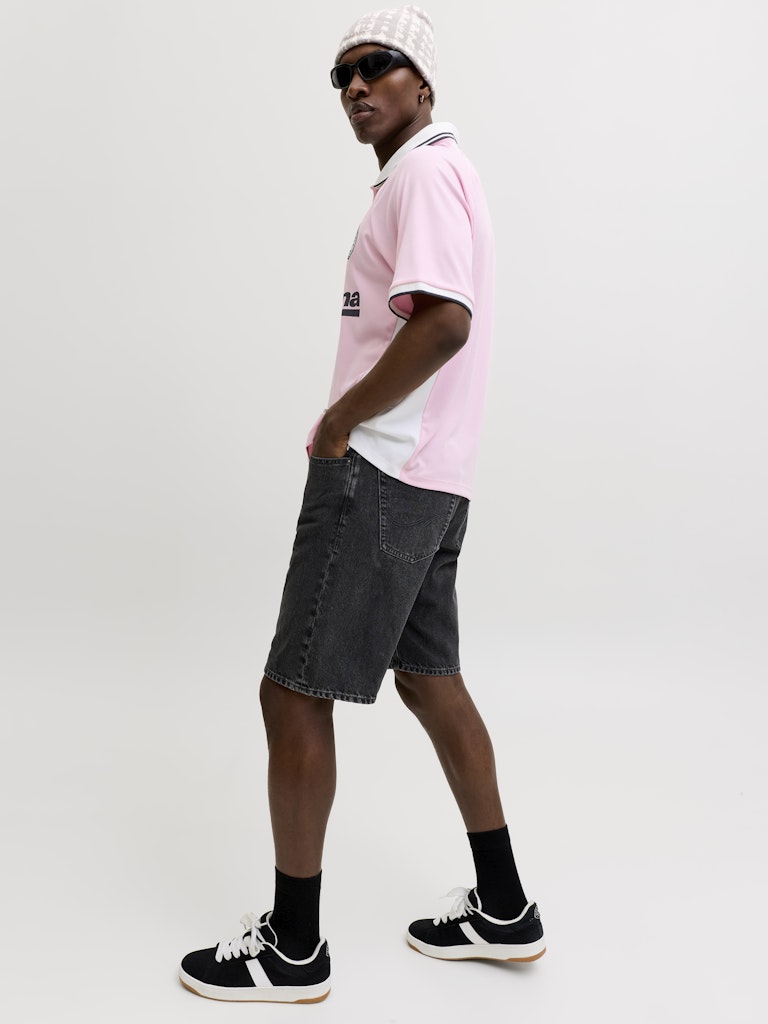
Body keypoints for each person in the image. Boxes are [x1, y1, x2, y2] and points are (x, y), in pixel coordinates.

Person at [179, 5, 545, 1004]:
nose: (354, 86)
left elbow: (444, 322)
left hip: (381, 471)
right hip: (434, 475)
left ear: (421, 84)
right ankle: (504, 906)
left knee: (292, 692)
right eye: (341, 74)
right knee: (430, 679)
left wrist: (339, 422)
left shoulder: (422, 171)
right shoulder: (436, 173)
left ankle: (294, 948)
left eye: (376, 65)